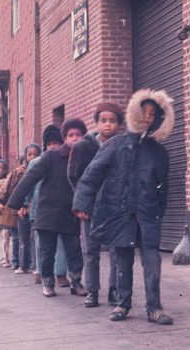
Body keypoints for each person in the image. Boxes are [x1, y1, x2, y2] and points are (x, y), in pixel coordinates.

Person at [72, 89, 174, 325]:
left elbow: (163, 187)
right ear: (135, 113)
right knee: (122, 258)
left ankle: (154, 307)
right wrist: (82, 203)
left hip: (147, 214)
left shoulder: (159, 152)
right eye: (144, 112)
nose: (148, 118)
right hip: (119, 213)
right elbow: (92, 175)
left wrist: (158, 213)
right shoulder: (116, 145)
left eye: (153, 114)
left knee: (152, 260)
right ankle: (122, 303)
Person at [8, 120, 88, 298]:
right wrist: (15, 202)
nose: (75, 139)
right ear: (64, 138)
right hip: (47, 212)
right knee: (46, 250)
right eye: (70, 135)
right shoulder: (51, 157)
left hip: (71, 211)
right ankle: (48, 282)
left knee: (74, 250)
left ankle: (75, 281)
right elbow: (30, 177)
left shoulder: (85, 158)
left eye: (79, 135)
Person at [68, 102, 124, 308]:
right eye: (103, 121)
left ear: (118, 124)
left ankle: (115, 290)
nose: (107, 125)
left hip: (115, 207)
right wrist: (82, 204)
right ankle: (92, 290)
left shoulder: (122, 145)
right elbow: (74, 176)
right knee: (91, 250)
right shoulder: (84, 146)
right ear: (96, 122)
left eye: (112, 121)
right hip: (91, 207)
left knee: (117, 250)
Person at [27, 128, 70, 286]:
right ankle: (42, 271)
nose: (53, 147)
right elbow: (29, 183)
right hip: (40, 208)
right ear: (45, 146)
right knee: (41, 244)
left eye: (56, 143)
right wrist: (25, 203)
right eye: (50, 144)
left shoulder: (66, 160)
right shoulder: (36, 162)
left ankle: (60, 273)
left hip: (60, 207)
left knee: (60, 243)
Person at [15, 144, 41, 274]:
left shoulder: (42, 168)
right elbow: (21, 189)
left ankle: (35, 265)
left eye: (35, 155)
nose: (32, 158)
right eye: (30, 155)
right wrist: (21, 204)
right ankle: (23, 264)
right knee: (24, 239)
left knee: (35, 238)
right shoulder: (20, 172)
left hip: (36, 209)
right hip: (25, 209)